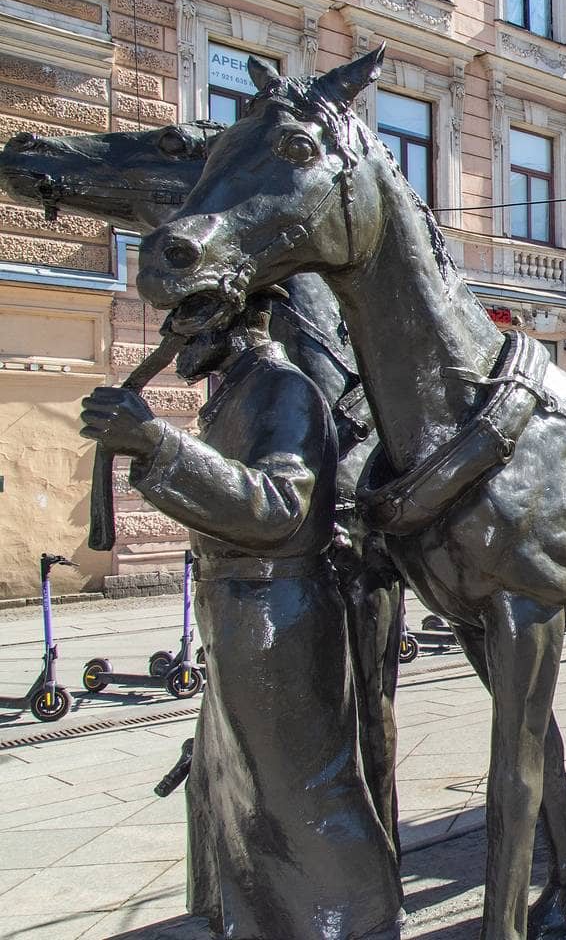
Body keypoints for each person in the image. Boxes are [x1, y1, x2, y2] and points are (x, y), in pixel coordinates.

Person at [79, 293, 402, 940]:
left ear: (232, 317)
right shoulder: (238, 393)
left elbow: (280, 507)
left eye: (183, 318)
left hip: (276, 616)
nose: (173, 335)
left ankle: (346, 920)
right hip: (240, 613)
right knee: (240, 784)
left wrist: (153, 442)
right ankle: (254, 917)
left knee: (296, 792)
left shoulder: (284, 389)